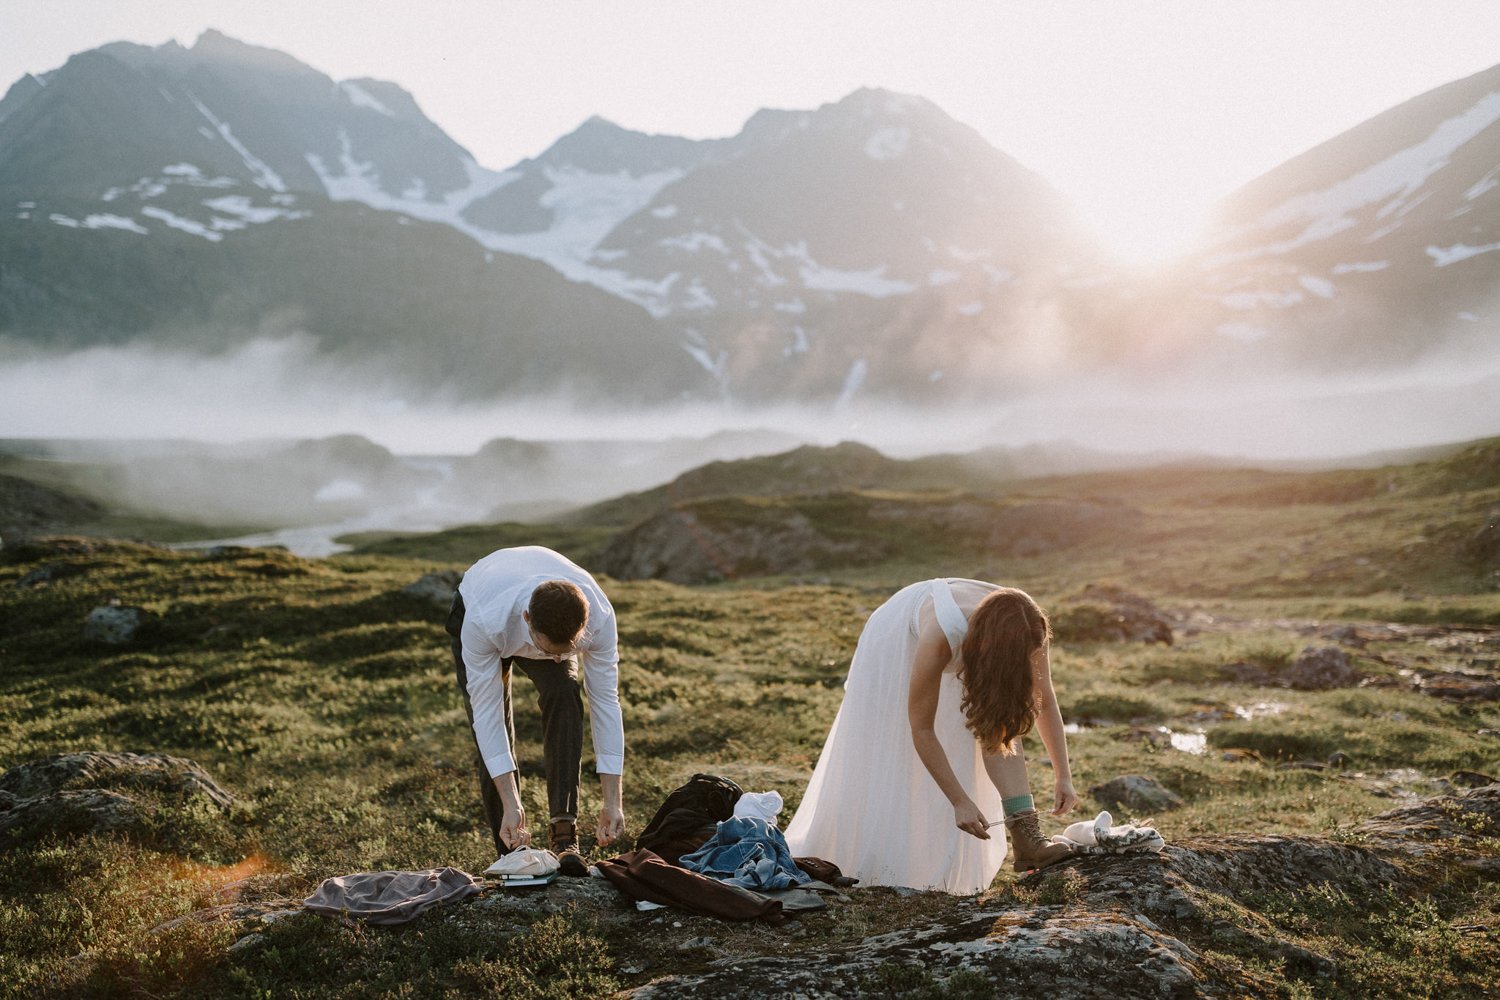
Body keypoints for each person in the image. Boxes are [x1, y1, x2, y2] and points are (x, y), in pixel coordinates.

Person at [783, 579, 1077, 893]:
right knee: (895, 746)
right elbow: (922, 729)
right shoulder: (941, 637)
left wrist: (1063, 776)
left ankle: (1026, 836)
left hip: (981, 635)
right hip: (898, 635)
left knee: (998, 712)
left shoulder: (1028, 625)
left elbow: (1044, 698)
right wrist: (960, 801)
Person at [446, 546, 626, 874]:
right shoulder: (485, 622)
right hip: (483, 606)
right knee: (493, 725)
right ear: (528, 619)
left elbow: (606, 704)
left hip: (545, 620)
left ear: (584, 625)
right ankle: (512, 846)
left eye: (567, 651)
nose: (557, 659)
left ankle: (564, 833)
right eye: (548, 650)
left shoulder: (600, 617)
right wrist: (512, 802)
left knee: (564, 690)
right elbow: (487, 716)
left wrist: (613, 801)